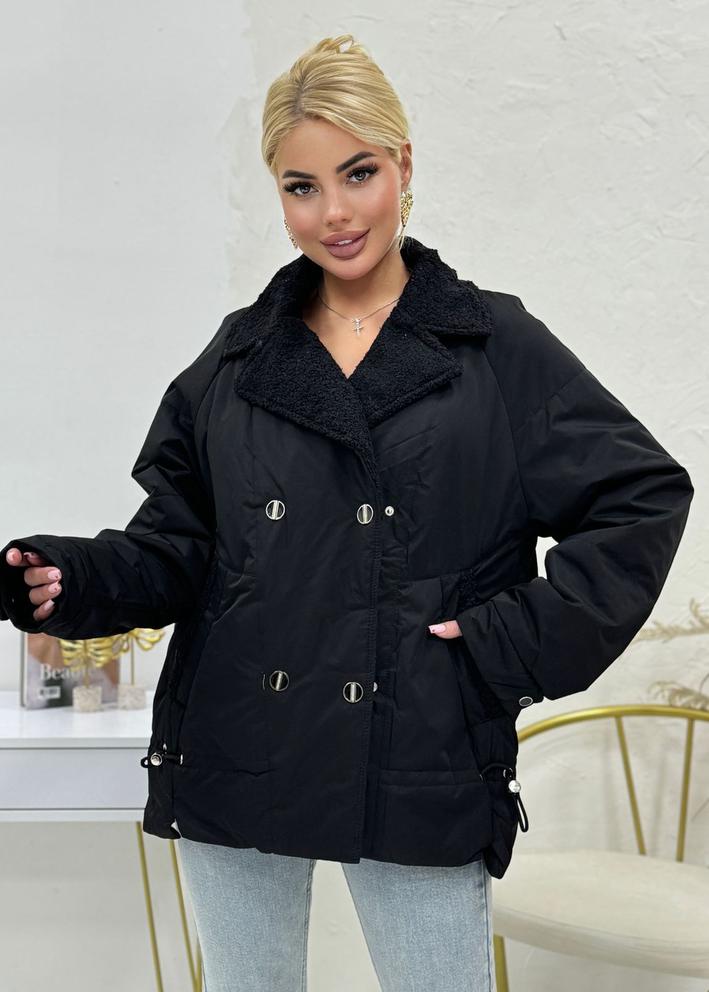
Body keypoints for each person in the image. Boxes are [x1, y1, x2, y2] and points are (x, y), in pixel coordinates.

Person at [0, 34, 694, 992]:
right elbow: (180, 546)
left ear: (403, 166)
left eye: (357, 173)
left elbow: (639, 495)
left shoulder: (492, 347)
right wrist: (71, 576)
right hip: (239, 735)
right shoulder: (239, 358)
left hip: (417, 744)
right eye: (301, 186)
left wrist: (503, 641)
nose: (332, 213)